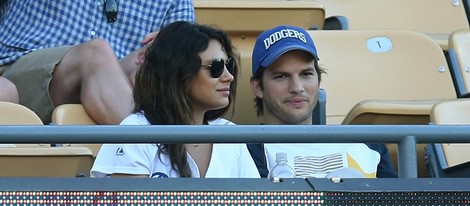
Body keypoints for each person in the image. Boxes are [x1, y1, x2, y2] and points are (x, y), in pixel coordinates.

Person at [91, 21, 260, 178]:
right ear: (179, 72)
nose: (229, 76)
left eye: (228, 65)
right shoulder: (135, 132)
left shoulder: (230, 135)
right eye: (215, 67)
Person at [0, 1, 194, 124]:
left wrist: (170, 47)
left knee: (157, 63)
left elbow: (187, 65)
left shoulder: (175, 3)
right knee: (95, 54)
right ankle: (153, 158)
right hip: (22, 71)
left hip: (114, 89)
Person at [247, 25, 398, 178]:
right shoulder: (242, 151)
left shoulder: (368, 146)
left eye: (306, 74)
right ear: (258, 87)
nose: (297, 87)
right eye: (281, 76)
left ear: (319, 80)